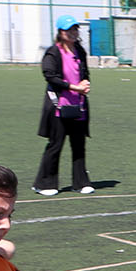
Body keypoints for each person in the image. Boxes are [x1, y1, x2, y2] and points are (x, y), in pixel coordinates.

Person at [34, 17, 94, 196]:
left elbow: (84, 73)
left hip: (78, 105)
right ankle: (44, 184)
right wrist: (73, 87)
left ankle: (80, 183)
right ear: (61, 32)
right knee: (56, 145)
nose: (73, 33)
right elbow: (50, 76)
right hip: (58, 106)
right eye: (69, 30)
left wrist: (85, 83)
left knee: (79, 145)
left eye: (75, 29)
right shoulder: (53, 52)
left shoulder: (80, 51)